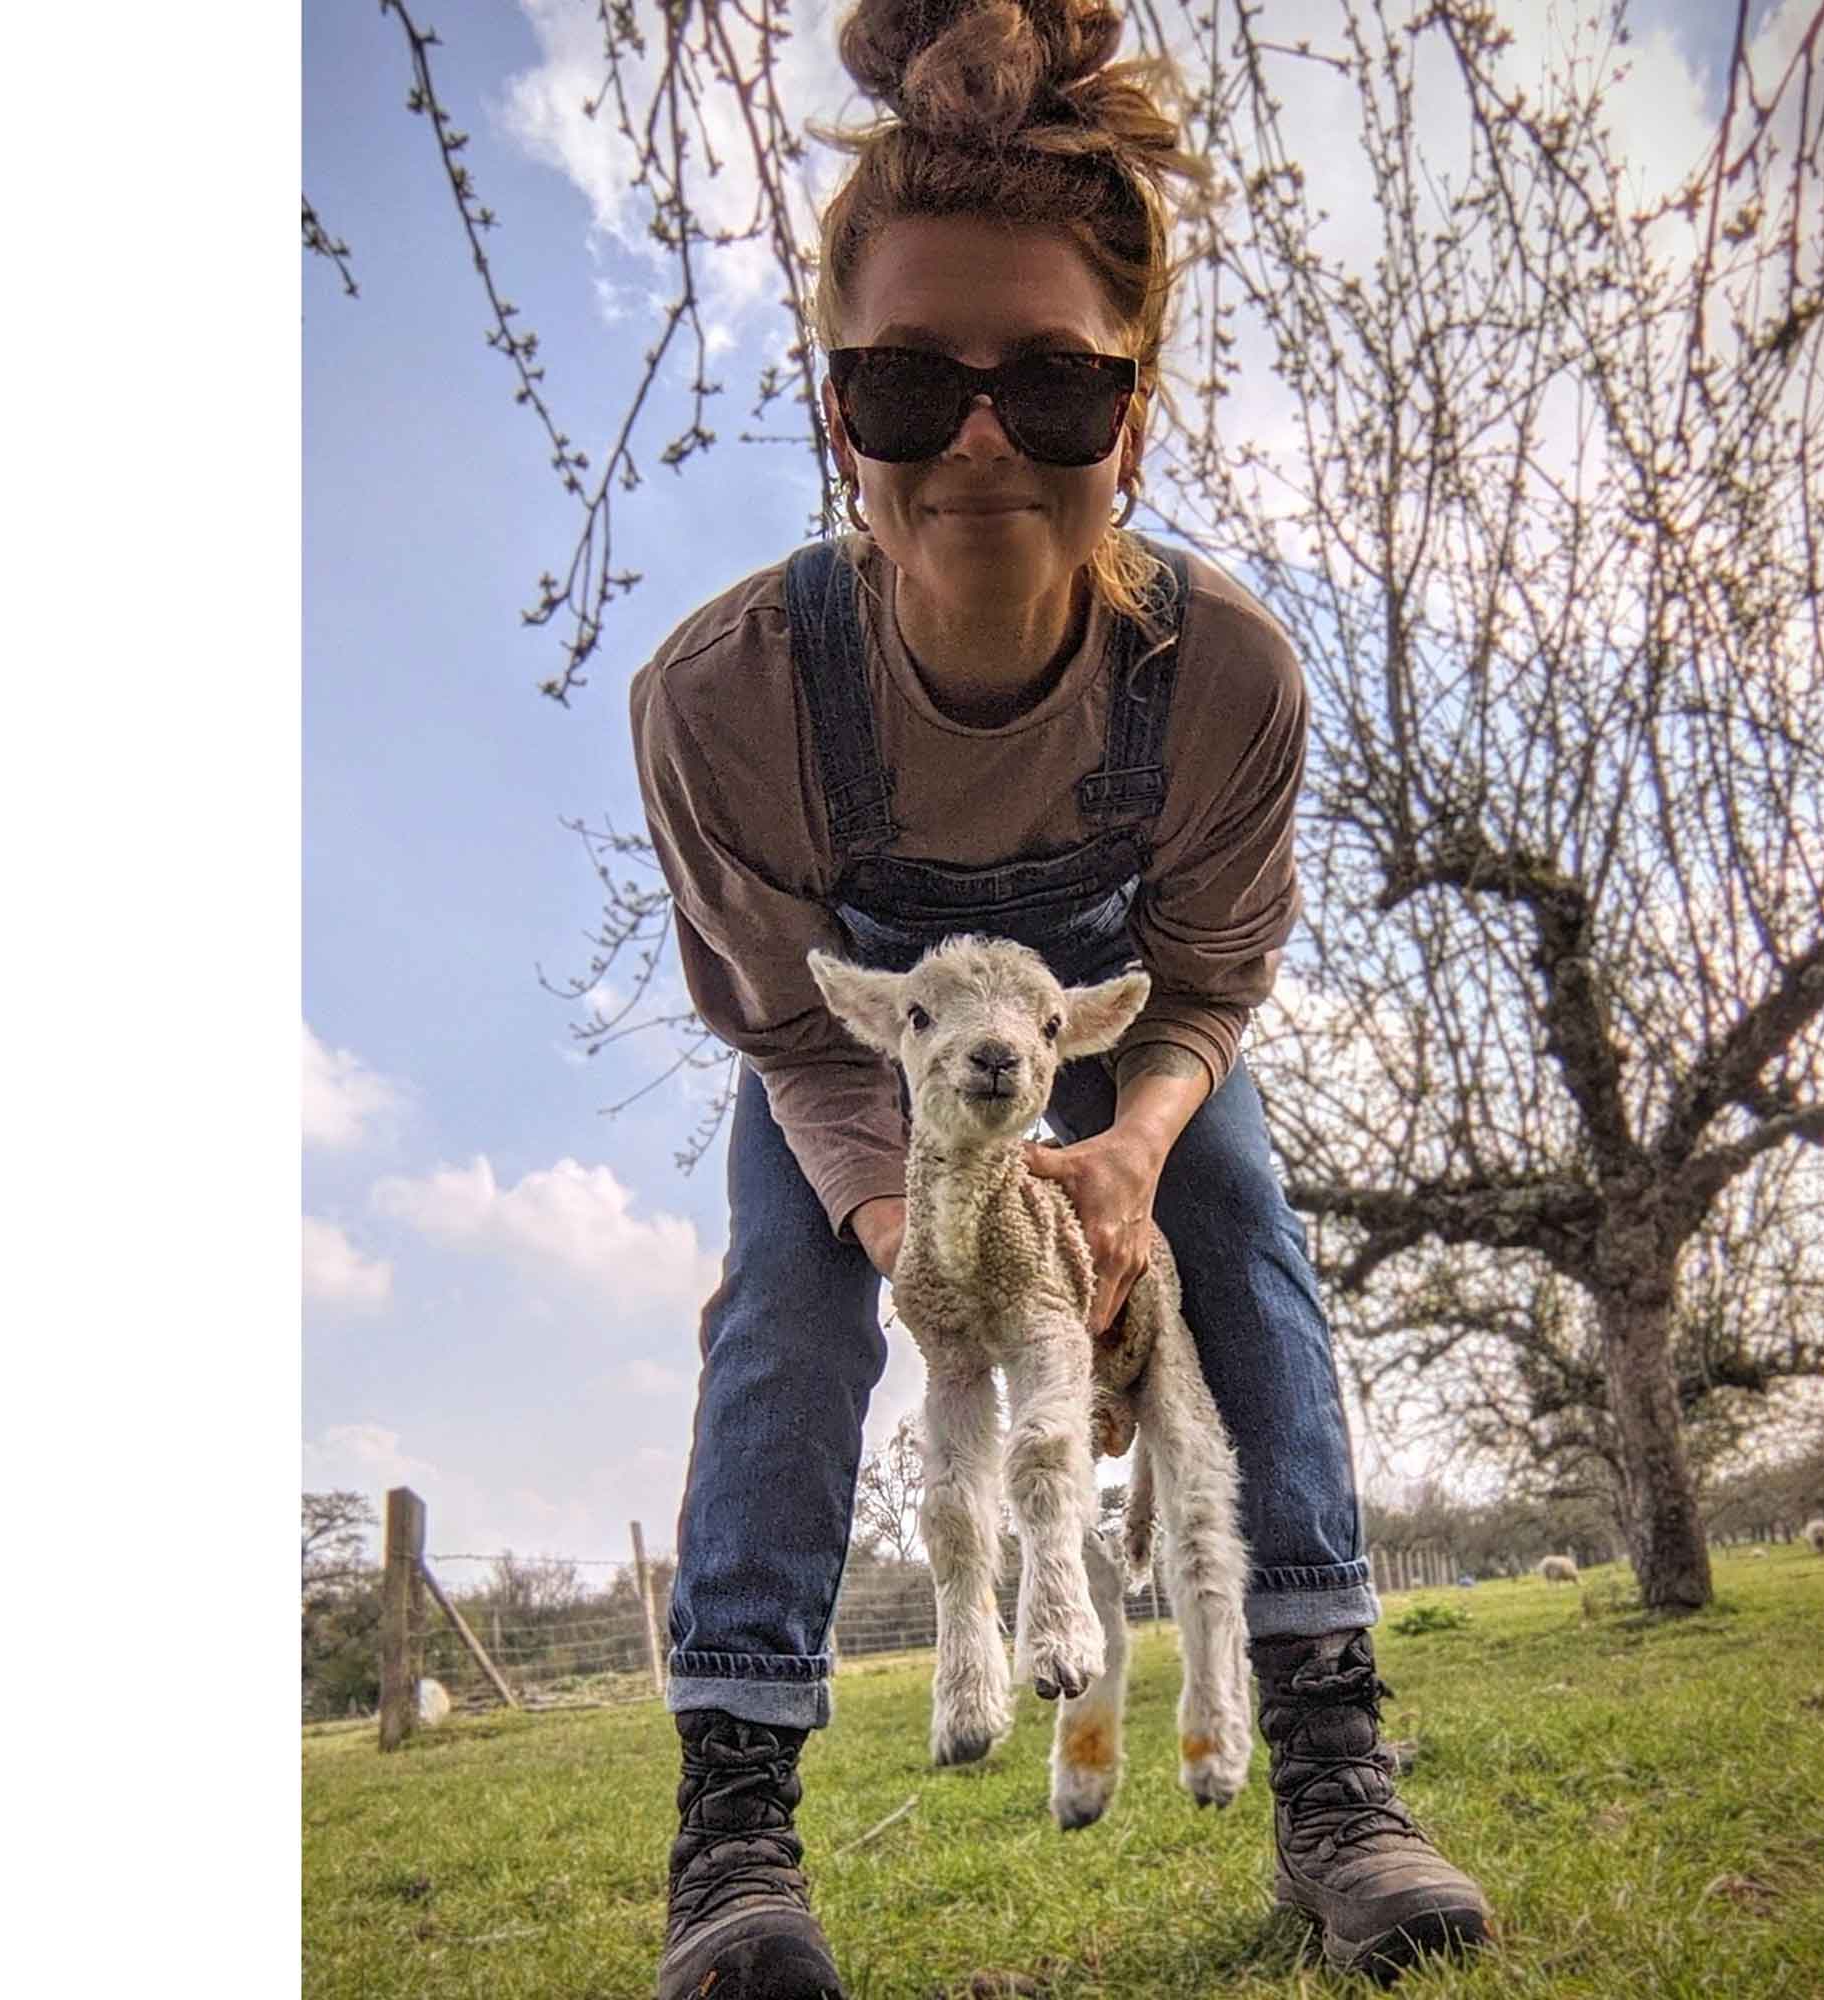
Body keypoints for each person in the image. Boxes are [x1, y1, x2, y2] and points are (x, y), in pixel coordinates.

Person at [628, 4, 1492, 1994]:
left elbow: (1205, 979)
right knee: (784, 1309)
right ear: (841, 408)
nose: (985, 443)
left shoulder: (1226, 685)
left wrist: (1131, 1158)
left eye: (1055, 389)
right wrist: (902, 1217)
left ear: (1139, 407)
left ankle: (1340, 1778)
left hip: (1108, 1056)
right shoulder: (727, 702)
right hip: (867, 1071)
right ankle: (735, 1837)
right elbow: (783, 1021)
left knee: (1246, 1248)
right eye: (914, 387)